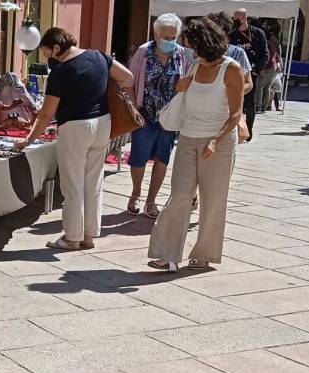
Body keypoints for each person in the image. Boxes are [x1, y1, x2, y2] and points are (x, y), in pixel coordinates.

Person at [17, 27, 133, 250]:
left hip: (75, 128)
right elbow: (127, 77)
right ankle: (88, 236)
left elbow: (46, 114)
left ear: (57, 48)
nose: (46, 58)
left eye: (46, 53)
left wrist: (29, 140)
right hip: (102, 123)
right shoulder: (99, 56)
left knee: (73, 185)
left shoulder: (61, 72)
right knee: (93, 182)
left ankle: (72, 238)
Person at [147, 17, 245, 272]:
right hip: (188, 138)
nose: (186, 48)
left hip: (219, 142)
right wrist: (180, 88)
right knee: (180, 195)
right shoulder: (194, 66)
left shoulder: (231, 69)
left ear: (204, 43)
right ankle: (167, 254)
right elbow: (185, 100)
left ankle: (205, 253)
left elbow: (236, 113)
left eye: (190, 43)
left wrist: (216, 140)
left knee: (213, 200)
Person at [126, 13, 189, 219]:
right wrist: (134, 108)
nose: (171, 41)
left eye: (174, 37)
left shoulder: (181, 54)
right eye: (167, 37)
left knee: (163, 158)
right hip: (145, 114)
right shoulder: (144, 53)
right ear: (156, 34)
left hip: (170, 117)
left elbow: (188, 81)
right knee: (138, 158)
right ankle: (135, 193)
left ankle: (151, 201)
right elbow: (129, 82)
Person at [228, 8, 268, 140]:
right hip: (233, 73)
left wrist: (256, 70)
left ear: (245, 18)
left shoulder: (257, 33)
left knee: (251, 102)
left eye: (238, 18)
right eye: (234, 18)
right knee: (235, 100)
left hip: (250, 73)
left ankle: (249, 129)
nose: (236, 21)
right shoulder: (231, 35)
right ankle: (234, 128)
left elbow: (264, 53)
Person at [255, 21, 282, 113]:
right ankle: (264, 106)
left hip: (268, 66)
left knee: (259, 86)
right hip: (273, 67)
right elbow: (276, 55)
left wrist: (262, 68)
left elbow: (267, 57)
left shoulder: (265, 43)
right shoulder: (271, 43)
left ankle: (258, 106)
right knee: (266, 87)